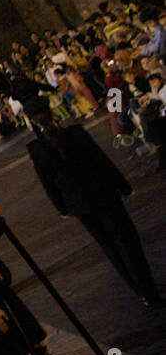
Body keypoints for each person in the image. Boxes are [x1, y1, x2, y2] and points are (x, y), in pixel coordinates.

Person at [23, 98, 161, 306]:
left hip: (79, 204)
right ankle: (148, 288)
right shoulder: (75, 133)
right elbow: (101, 160)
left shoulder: (36, 148)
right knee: (127, 241)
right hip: (103, 193)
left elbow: (48, 183)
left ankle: (138, 290)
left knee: (109, 245)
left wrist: (62, 208)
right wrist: (124, 186)